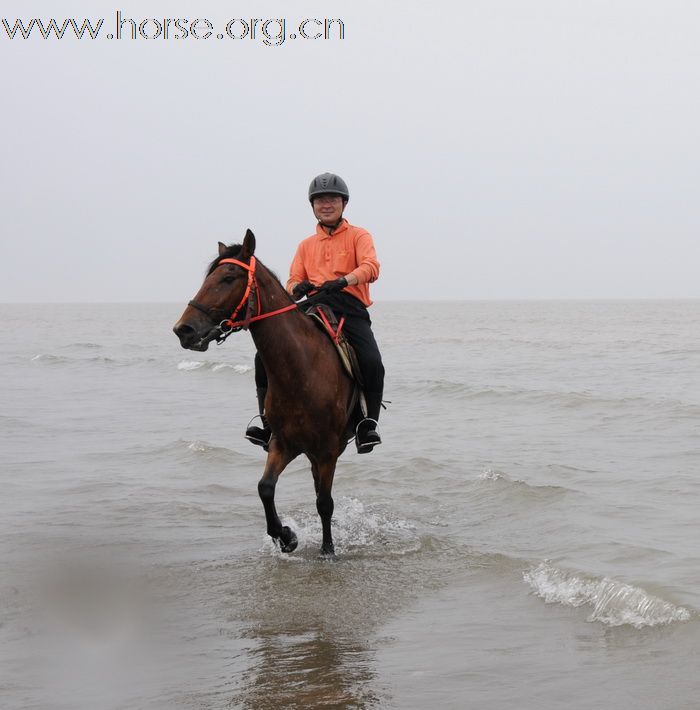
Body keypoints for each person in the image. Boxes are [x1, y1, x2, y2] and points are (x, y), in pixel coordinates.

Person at [246, 172, 385, 453]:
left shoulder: (359, 235)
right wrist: (299, 287)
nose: (326, 204)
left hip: (349, 307)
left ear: (343, 203)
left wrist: (344, 281)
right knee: (264, 357)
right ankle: (266, 422)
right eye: (320, 200)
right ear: (313, 206)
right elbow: (292, 279)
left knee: (372, 361)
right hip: (312, 305)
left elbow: (372, 267)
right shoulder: (305, 245)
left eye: (332, 199)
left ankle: (368, 424)